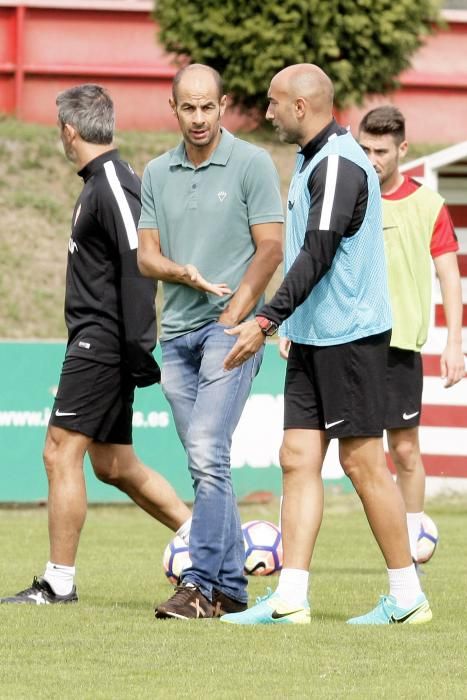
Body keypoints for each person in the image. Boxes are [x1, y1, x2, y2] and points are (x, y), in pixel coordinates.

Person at [220, 64, 432, 625]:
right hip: (315, 336)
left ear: (300, 107)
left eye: (272, 103)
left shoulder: (339, 163)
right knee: (296, 457)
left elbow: (318, 252)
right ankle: (291, 598)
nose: (266, 112)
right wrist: (291, 326)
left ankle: (407, 596)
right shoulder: (313, 157)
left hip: (353, 338)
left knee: (363, 462)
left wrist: (265, 321)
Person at [0, 84, 191, 605]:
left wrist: (136, 346)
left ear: (69, 130)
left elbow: (140, 262)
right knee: (113, 465)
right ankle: (205, 539)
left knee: (59, 453)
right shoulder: (101, 182)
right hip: (103, 341)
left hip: (102, 342)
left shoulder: (112, 182)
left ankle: (58, 583)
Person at [137, 64, 284, 619]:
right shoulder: (155, 171)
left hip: (230, 333)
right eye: (188, 108)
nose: (198, 118)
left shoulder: (251, 163)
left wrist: (238, 314)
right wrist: (185, 274)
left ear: (222, 106)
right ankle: (230, 590)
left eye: (207, 107)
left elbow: (270, 247)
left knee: (205, 452)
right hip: (174, 337)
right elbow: (146, 256)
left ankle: (198, 585)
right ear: (172, 109)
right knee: (207, 462)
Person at [358, 106, 465, 563]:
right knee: (342, 453)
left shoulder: (429, 206)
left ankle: (413, 546)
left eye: (380, 151)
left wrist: (455, 343)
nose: (371, 159)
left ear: (402, 149)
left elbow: (448, 276)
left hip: (399, 346)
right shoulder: (348, 198)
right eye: (363, 149)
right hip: (349, 341)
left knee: (404, 450)